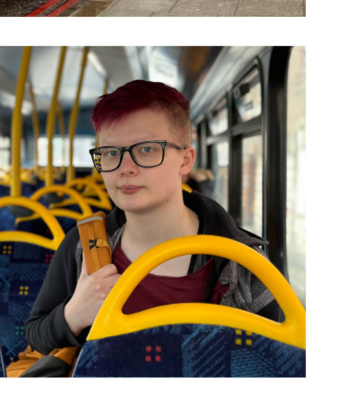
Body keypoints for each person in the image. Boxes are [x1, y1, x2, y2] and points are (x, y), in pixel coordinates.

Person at [24, 80, 280, 356]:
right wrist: (74, 314)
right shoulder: (83, 246)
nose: (125, 168)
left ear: (185, 160)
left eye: (146, 149)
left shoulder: (244, 264)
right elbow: (36, 335)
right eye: (111, 153)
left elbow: (278, 364)